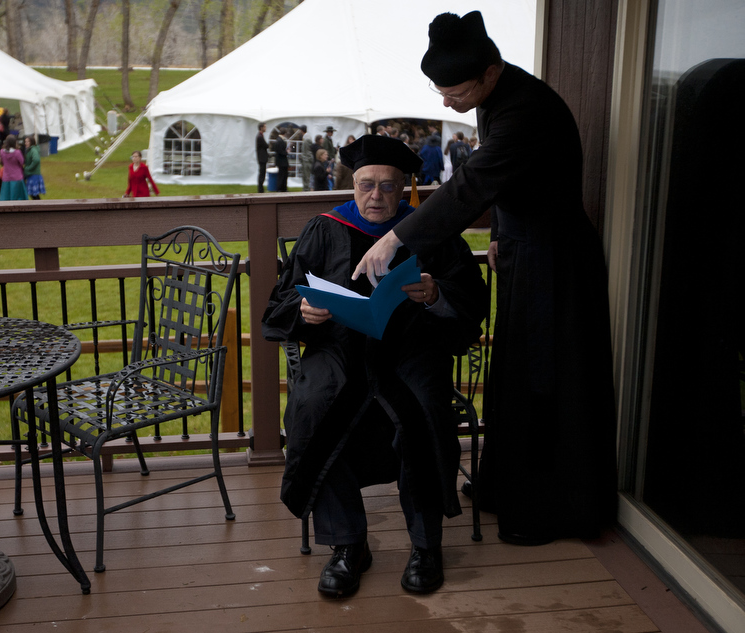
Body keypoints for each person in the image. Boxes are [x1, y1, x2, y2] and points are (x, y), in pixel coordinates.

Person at [352, 11, 618, 546]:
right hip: (524, 250)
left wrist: (397, 237)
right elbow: (510, 183)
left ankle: (549, 508)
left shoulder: (525, 109)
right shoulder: (492, 98)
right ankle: (506, 486)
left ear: (490, 73)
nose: (445, 103)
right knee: (515, 374)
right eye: (439, 90)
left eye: (453, 91)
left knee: (545, 378)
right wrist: (499, 232)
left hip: (557, 260)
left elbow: (473, 183)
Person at [262, 135, 489, 598]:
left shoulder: (430, 232)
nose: (376, 196)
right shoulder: (323, 228)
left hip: (411, 350)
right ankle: (348, 545)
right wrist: (303, 312)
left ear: (405, 188)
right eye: (366, 185)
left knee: (424, 408)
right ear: (352, 185)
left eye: (389, 187)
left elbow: (471, 299)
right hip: (337, 350)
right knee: (311, 405)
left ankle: (427, 546)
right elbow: (281, 299)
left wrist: (437, 294)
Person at [0, 134, 27, 201]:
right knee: (18, 197)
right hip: (17, 177)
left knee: (6, 197)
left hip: (6, 177)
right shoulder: (17, 152)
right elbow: (22, 162)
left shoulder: (2, 152)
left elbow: (2, 163)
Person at [24, 135, 46, 200]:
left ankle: (40, 207)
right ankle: (39, 207)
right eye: (25, 142)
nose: (26, 143)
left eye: (27, 142)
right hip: (32, 174)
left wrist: (28, 168)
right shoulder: (30, 150)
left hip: (34, 175)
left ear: (31, 142)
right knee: (33, 195)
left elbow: (36, 160)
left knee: (34, 194)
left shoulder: (33, 150)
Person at [256, 123, 269, 193]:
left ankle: (261, 189)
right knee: (262, 173)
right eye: (264, 127)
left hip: (262, 158)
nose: (265, 128)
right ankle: (260, 189)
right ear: (261, 128)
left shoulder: (260, 136)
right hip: (262, 158)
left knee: (262, 173)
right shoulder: (260, 137)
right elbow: (266, 145)